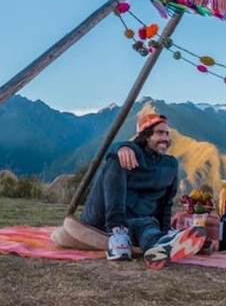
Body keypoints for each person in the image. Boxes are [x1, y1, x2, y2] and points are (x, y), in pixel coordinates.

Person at [81, 111, 206, 268]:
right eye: (160, 133)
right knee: (117, 160)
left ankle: (158, 245)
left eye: (167, 134)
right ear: (146, 136)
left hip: (137, 220)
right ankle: (117, 233)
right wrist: (121, 147)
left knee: (147, 226)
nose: (165, 139)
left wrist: (165, 228)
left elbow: (165, 203)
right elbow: (109, 147)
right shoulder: (131, 152)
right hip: (105, 218)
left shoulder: (169, 165)